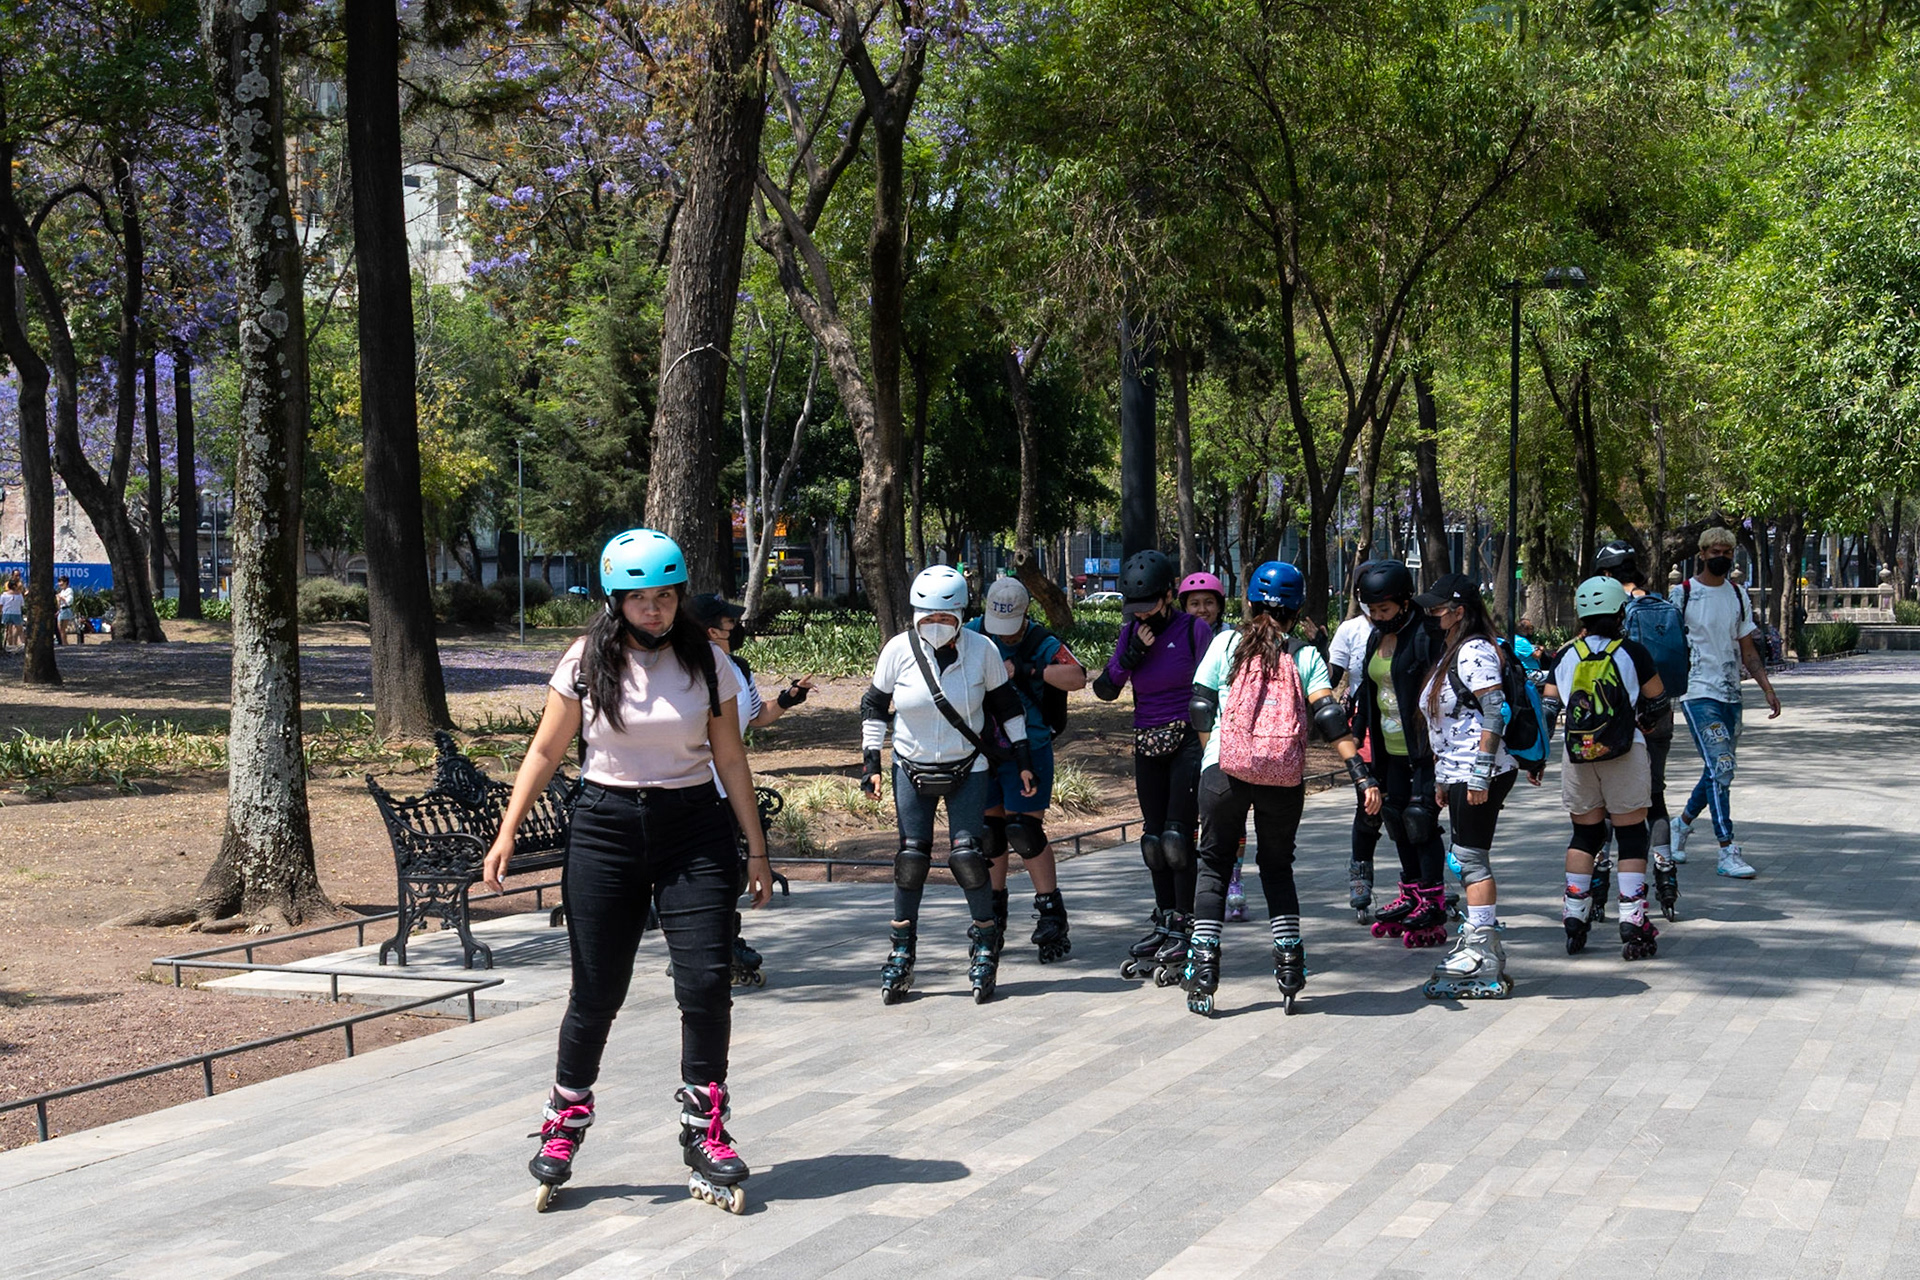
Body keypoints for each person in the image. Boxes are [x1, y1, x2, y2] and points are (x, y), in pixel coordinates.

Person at [483, 528, 772, 1214]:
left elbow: (730, 760)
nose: (656, 610)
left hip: (693, 831)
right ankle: (564, 1122)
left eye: (666, 596)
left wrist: (756, 849)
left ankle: (706, 1129)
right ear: (616, 600)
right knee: (596, 991)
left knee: (705, 983)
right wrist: (508, 831)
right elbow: (546, 750)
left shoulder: (709, 663)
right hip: (606, 829)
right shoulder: (586, 662)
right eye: (641, 598)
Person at [1183, 561, 1380, 1016]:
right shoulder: (1304, 653)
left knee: (1213, 865)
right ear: (1297, 609)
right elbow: (1329, 716)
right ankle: (1289, 964)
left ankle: (1204, 967)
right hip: (1282, 777)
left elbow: (1199, 705)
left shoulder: (1225, 643)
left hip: (1223, 772)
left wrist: (1215, 753)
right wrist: (1359, 773)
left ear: (1250, 602)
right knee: (1276, 868)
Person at [861, 565, 1037, 1005]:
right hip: (910, 766)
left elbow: (1006, 706)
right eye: (927, 619)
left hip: (967, 769)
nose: (936, 628)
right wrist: (871, 763)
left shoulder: (983, 651)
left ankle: (983, 944)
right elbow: (875, 705)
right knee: (911, 858)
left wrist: (1023, 760)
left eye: (945, 619)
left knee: (968, 857)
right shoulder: (897, 651)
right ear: (915, 616)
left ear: (961, 615)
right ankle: (901, 950)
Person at [1093, 549, 1213, 983]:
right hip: (1147, 741)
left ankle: (1187, 922)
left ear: (1167, 596)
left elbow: (1213, 685)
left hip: (1186, 740)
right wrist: (1130, 659)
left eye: (1148, 606)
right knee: (1152, 840)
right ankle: (1164, 918)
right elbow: (1104, 690)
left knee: (1178, 838)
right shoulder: (1131, 634)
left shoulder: (1194, 630)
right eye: (1134, 609)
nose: (1141, 616)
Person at [1414, 573, 1534, 998]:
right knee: (1463, 858)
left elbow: (1493, 711)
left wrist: (1480, 772)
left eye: (1438, 610)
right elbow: (1447, 723)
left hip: (1480, 771)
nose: (1431, 616)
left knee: (1470, 860)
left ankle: (1480, 949)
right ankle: (1480, 941)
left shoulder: (1476, 650)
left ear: (1458, 611)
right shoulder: (1454, 651)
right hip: (1460, 771)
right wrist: (1445, 780)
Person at [689, 592, 816, 988]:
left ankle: (720, 940)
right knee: (712, 873)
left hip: (730, 789)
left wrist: (790, 698)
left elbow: (757, 717)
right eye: (730, 622)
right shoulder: (689, 672)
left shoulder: (738, 668)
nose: (737, 627)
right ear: (712, 631)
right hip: (694, 787)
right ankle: (709, 947)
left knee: (729, 871)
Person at [1542, 576, 1668, 960]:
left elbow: (1549, 708)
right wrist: (1645, 721)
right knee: (1631, 835)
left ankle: (1575, 914)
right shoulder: (1633, 652)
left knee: (1584, 835)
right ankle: (1632, 918)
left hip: (1578, 756)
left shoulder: (1565, 656)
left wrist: (1537, 759)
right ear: (1619, 612)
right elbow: (1658, 700)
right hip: (1625, 752)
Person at [966, 577, 1087, 963]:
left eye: (1012, 627)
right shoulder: (973, 632)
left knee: (1024, 830)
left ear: (1025, 616)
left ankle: (1051, 912)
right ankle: (993, 912)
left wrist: (1027, 669)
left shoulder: (1040, 641)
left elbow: (1078, 676)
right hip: (985, 749)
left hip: (1030, 747)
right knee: (991, 834)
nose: (1005, 634)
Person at [1348, 561, 1451, 949]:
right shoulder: (1376, 638)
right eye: (1372, 611)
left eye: (1385, 611)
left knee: (1419, 820)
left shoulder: (1425, 636)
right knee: (1394, 818)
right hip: (1388, 750)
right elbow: (1369, 690)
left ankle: (1434, 900)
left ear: (1406, 602)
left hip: (1423, 749)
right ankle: (1411, 893)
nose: (1378, 618)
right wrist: (1357, 732)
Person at [1670, 527, 1782, 879]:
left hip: (1731, 693)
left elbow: (1748, 648)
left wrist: (1766, 687)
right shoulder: (1683, 593)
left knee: (1720, 767)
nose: (1722, 556)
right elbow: (1668, 646)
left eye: (1728, 552)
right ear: (1701, 553)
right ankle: (1726, 849)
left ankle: (1682, 824)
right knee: (1722, 766)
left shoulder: (1738, 594)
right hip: (1697, 691)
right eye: (1715, 550)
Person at [1594, 540, 1686, 919]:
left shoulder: (1613, 613)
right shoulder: (1663, 606)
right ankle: (1665, 874)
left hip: (1620, 723)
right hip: (1661, 715)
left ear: (1607, 575)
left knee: (1608, 805)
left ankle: (1598, 878)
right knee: (1655, 798)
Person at [1177, 572, 1243, 918]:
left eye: (1208, 602)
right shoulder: (1178, 636)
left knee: (1227, 814)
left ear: (1220, 605)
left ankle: (1233, 877)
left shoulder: (1231, 639)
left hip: (1225, 737)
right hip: (1186, 734)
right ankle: (1197, 883)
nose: (1202, 609)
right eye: (1194, 603)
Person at [1326, 565, 1382, 919]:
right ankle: (1360, 872)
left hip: (1406, 725)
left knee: (1413, 810)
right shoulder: (1351, 629)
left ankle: (1423, 883)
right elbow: (1330, 675)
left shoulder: (1413, 626)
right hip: (1366, 724)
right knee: (1370, 804)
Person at [1, 572, 23, 652]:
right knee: (9, 629)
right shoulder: (7, 589)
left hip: (10, 612)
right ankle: (8, 644)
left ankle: (14, 644)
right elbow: (21, 604)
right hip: (14, 612)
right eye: (16, 575)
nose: (18, 577)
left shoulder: (20, 584)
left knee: (15, 629)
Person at [55, 576, 76, 646]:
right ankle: (63, 642)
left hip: (66, 610)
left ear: (65, 582)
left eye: (61, 582)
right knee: (60, 628)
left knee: (62, 628)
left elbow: (69, 601)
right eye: (59, 582)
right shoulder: (62, 591)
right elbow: (59, 603)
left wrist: (61, 597)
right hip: (61, 610)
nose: (59, 584)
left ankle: (65, 643)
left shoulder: (69, 590)